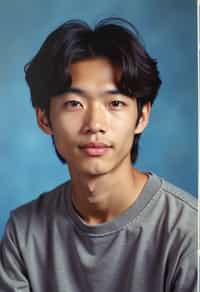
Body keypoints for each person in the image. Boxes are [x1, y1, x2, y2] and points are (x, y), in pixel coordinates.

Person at [0, 18, 197, 292]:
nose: (94, 124)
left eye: (115, 103)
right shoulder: (23, 233)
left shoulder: (188, 232)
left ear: (142, 116)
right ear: (44, 119)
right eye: (74, 104)